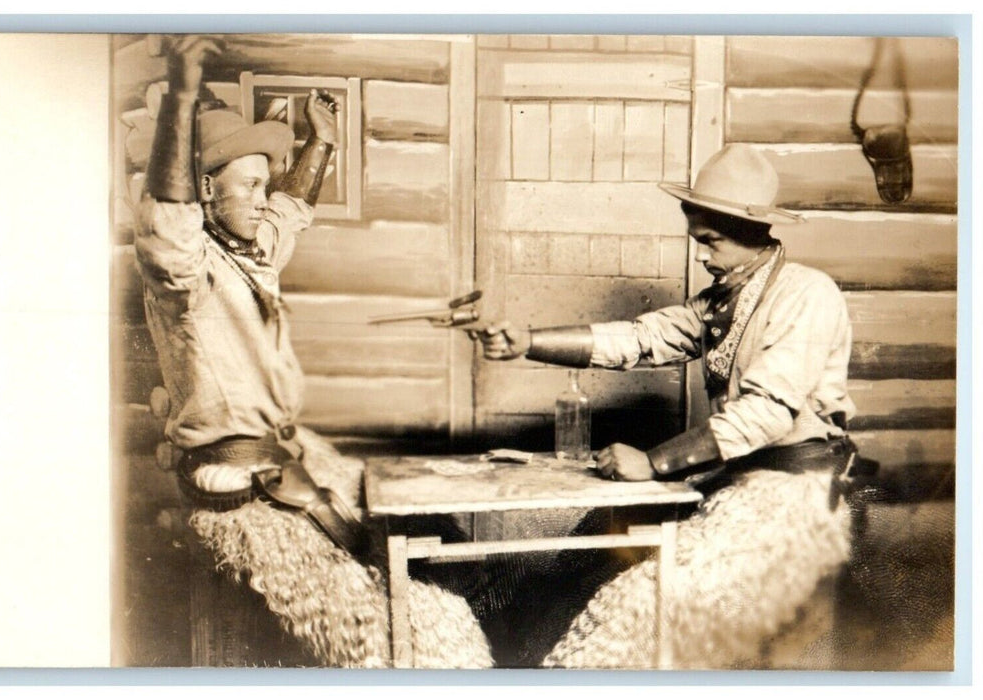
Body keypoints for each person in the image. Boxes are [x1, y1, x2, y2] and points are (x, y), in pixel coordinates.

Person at [135, 36, 492, 668]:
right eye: (245, 186)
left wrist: (320, 140)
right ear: (205, 193)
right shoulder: (186, 274)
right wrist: (183, 90)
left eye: (261, 183)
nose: (260, 197)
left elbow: (292, 208)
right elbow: (166, 217)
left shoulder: (253, 249)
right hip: (236, 485)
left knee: (429, 557)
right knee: (372, 619)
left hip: (286, 461)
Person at [473, 144, 869, 668]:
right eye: (697, 242)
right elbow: (640, 338)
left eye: (711, 242)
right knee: (588, 545)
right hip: (734, 478)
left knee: (642, 601)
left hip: (798, 495)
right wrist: (528, 340)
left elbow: (767, 412)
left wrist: (653, 463)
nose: (701, 256)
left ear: (752, 232)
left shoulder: (806, 295)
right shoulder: (721, 301)